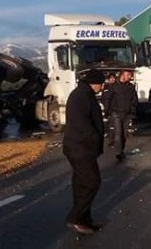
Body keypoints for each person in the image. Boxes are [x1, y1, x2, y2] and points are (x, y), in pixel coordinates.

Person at [62, 69, 105, 235]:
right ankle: (74, 218)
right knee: (92, 182)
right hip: (80, 147)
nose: (102, 87)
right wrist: (94, 139)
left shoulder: (83, 93)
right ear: (95, 83)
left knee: (81, 184)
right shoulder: (81, 96)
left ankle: (85, 219)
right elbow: (81, 124)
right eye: (101, 84)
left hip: (80, 147)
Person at [102, 69, 138, 161]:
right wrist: (107, 111)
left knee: (124, 134)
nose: (130, 76)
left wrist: (133, 110)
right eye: (128, 75)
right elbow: (107, 99)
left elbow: (134, 99)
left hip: (127, 113)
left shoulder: (130, 86)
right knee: (118, 133)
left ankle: (121, 150)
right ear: (123, 75)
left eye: (130, 75)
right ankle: (118, 152)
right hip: (116, 113)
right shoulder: (114, 87)